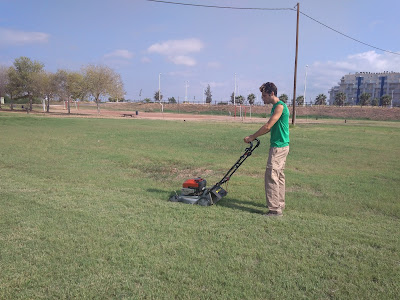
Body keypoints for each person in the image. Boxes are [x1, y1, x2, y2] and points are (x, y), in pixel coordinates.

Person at [244, 82, 290, 217]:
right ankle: (279, 204)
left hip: (279, 146)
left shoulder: (279, 107)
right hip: (281, 145)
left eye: (264, 95)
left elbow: (268, 126)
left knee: (271, 175)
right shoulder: (277, 106)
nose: (262, 98)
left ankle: (274, 210)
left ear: (272, 94)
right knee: (279, 175)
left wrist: (252, 136)